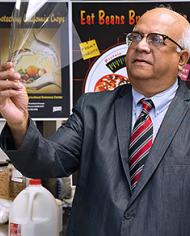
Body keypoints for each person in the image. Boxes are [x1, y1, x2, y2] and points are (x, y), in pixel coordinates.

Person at [0, 7, 190, 236]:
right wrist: (19, 124)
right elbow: (47, 160)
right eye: (136, 37)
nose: (141, 46)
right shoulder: (93, 109)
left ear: (181, 59)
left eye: (157, 39)